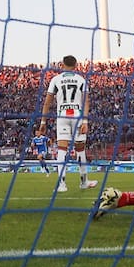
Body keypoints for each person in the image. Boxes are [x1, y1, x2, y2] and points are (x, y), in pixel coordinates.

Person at [39, 55, 97, 192]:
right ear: (76, 66)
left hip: (62, 116)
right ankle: (84, 181)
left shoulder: (55, 80)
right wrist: (85, 121)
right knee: (80, 149)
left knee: (62, 150)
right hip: (77, 115)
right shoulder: (82, 80)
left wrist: (43, 121)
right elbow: (86, 102)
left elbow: (47, 102)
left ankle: (61, 185)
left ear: (62, 65)